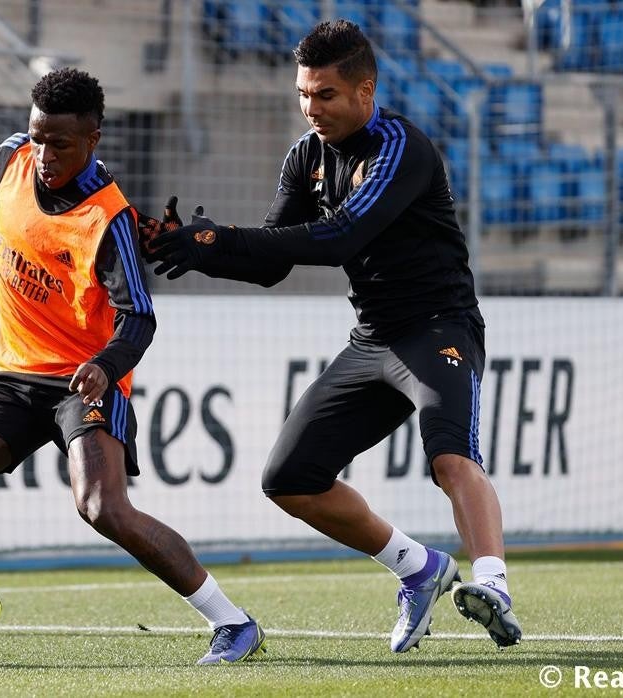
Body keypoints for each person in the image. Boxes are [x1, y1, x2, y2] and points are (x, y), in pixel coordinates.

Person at [0, 68, 265, 665]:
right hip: (15, 375)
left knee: (103, 508)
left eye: (60, 143)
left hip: (84, 380)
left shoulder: (109, 217)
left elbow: (139, 317)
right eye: (37, 136)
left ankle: (234, 623)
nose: (44, 154)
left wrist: (105, 364)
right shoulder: (12, 160)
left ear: (92, 139)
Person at [145, 21, 522, 652]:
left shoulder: (401, 146)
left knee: (450, 457)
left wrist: (221, 239)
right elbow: (271, 263)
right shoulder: (305, 156)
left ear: (365, 90)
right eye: (303, 94)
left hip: (438, 328)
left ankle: (492, 583)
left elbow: (341, 236)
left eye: (325, 95)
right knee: (290, 478)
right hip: (373, 339)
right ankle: (419, 570)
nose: (311, 109)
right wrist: (200, 248)